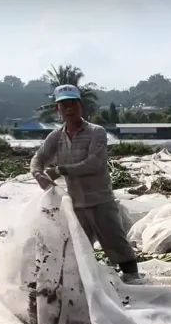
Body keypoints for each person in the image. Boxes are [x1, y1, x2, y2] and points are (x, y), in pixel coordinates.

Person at [30, 84, 141, 283]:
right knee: (78, 250)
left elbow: (93, 163)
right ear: (57, 109)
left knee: (116, 244)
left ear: (80, 105)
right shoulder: (56, 136)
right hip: (76, 205)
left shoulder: (96, 132)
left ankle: (133, 279)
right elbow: (38, 157)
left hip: (100, 201)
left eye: (73, 103)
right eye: (64, 105)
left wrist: (60, 170)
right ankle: (85, 286)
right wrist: (38, 173)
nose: (69, 108)